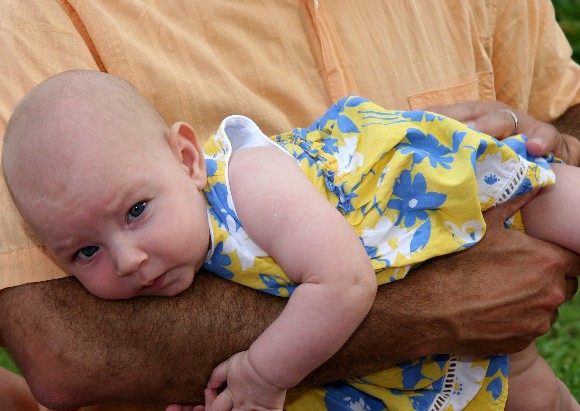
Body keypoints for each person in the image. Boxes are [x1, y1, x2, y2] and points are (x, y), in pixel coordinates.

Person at [0, 1, 579, 410]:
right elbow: (70, 357)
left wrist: (257, 373)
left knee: (546, 194)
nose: (127, 260)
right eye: (84, 251)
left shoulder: (249, 181)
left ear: (187, 160)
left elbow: (342, 281)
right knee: (524, 385)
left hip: (421, 189)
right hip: (425, 328)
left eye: (135, 213)